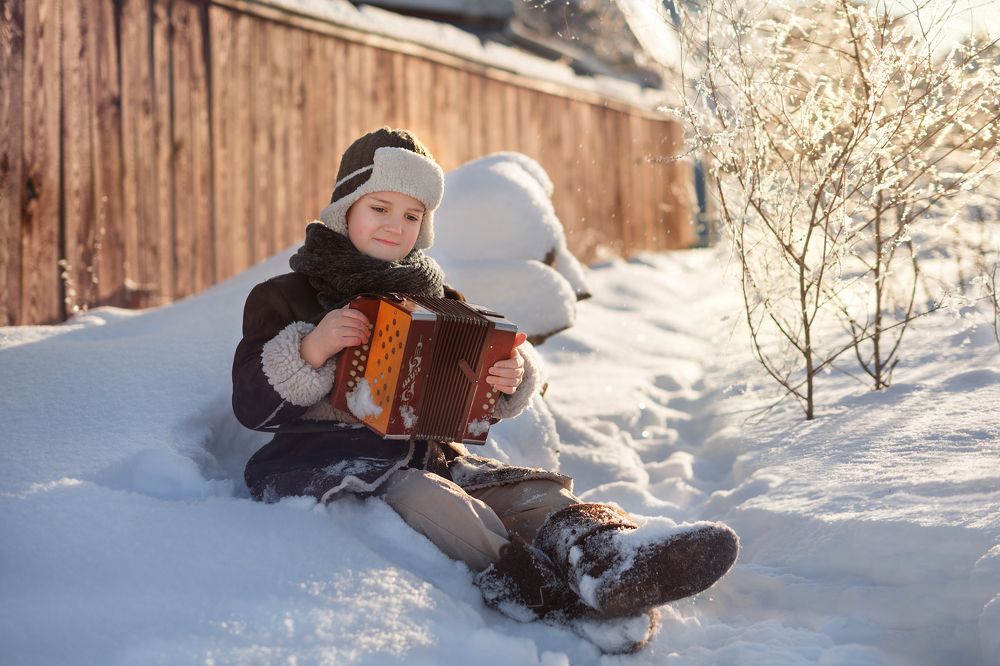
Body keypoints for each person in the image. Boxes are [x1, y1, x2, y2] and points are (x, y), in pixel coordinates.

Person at [232, 127, 739, 653]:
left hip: (431, 454)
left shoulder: (435, 296)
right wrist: (311, 349)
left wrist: (507, 380)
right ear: (346, 208)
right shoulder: (287, 295)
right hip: (332, 463)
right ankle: (546, 595)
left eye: (411, 216)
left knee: (532, 493)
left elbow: (471, 378)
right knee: (444, 506)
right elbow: (250, 405)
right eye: (380, 207)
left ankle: (610, 560)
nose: (394, 226)